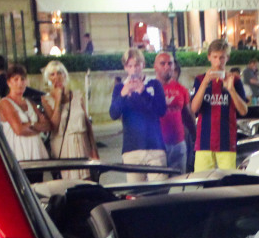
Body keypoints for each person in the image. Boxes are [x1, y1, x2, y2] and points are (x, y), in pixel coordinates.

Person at [110, 47, 167, 182]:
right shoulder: (120, 88)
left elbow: (161, 110)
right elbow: (113, 113)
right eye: (130, 66)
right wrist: (123, 94)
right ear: (125, 68)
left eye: (137, 65)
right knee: (136, 195)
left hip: (155, 148)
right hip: (132, 149)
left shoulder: (154, 84)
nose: (134, 69)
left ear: (142, 65)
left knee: (160, 192)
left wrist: (143, 92)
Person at [191, 39, 247, 171]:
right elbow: (194, 108)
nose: (218, 62)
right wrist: (205, 84)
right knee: (201, 182)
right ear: (209, 57)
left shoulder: (235, 80)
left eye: (222, 58)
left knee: (228, 182)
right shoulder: (200, 80)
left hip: (226, 141)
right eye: (215, 57)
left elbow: (243, 111)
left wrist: (231, 89)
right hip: (204, 141)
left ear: (227, 58)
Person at [41, 60, 96, 179]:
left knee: (87, 183)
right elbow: (54, 125)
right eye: (52, 74)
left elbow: (87, 124)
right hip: (63, 146)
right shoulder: (46, 100)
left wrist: (94, 150)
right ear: (48, 78)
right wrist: (58, 100)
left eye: (60, 73)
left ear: (65, 75)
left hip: (81, 144)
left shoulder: (77, 95)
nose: (57, 77)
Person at [0, 63, 50, 164]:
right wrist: (36, 126)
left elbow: (47, 125)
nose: (20, 83)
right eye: (16, 79)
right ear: (9, 82)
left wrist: (29, 126)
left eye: (22, 79)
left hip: (36, 153)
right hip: (19, 154)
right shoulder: (5, 102)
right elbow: (19, 130)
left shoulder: (30, 102)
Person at [155, 51, 194, 174]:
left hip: (179, 143)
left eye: (170, 63)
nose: (167, 66)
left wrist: (196, 136)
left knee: (178, 182)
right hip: (157, 145)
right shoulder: (149, 88)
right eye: (162, 63)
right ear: (155, 66)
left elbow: (188, 115)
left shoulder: (181, 89)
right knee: (160, 185)